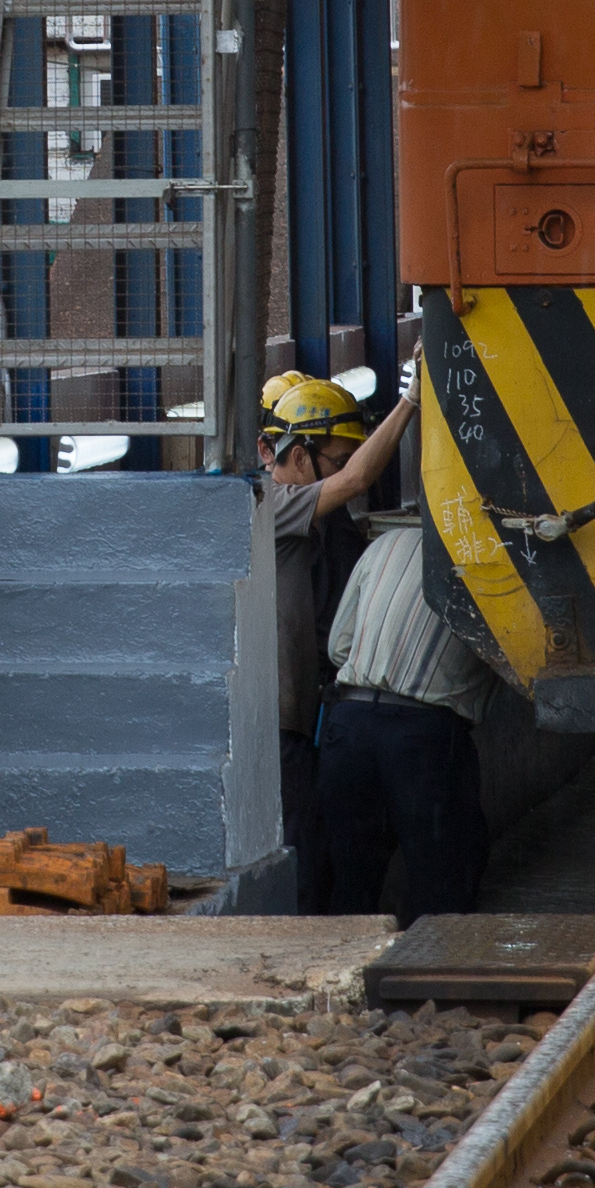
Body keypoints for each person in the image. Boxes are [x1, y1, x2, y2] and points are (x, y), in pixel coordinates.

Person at [257, 369, 411, 868]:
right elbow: (358, 479)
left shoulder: (320, 522)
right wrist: (410, 400)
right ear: (298, 455)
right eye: (336, 459)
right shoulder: (269, 506)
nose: (345, 472)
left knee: (322, 844)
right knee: (303, 849)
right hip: (278, 728)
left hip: (307, 719)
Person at [313, 500, 495, 923]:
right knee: (442, 890)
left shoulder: (385, 544)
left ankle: (344, 983)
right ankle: (428, 985)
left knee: (351, 886)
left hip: (350, 728)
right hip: (423, 737)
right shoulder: (490, 566)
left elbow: (338, 648)